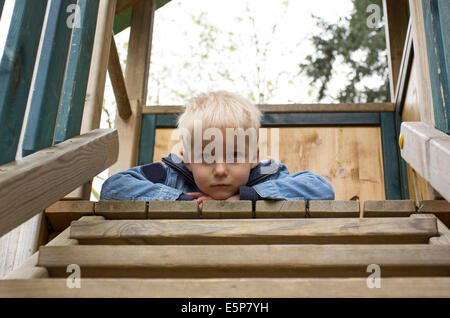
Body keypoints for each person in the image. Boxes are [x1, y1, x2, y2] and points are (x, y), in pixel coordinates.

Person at [100, 91, 334, 210]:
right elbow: (113, 187)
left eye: (234, 155)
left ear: (253, 158)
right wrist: (180, 201)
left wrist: (248, 197)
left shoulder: (268, 174)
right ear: (187, 159)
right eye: (206, 156)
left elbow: (322, 189)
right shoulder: (169, 175)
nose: (220, 170)